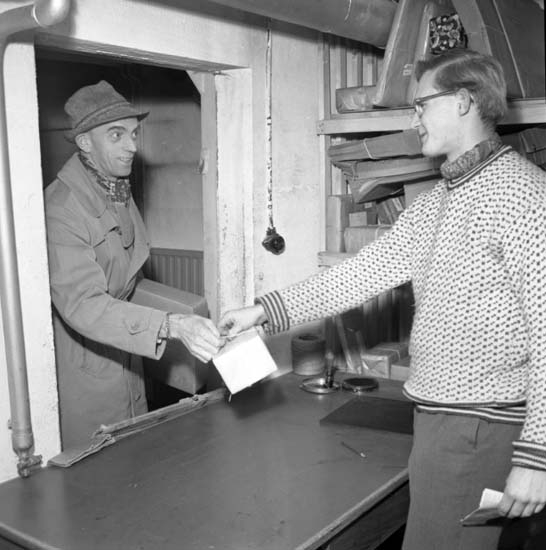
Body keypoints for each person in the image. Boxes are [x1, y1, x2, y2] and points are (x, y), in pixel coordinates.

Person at [219, 49, 546, 549]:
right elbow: (357, 276)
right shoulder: (436, 203)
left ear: (463, 101)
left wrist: (536, 456)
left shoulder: (524, 195)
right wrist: (262, 311)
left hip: (482, 426)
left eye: (421, 105)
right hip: (440, 419)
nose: (414, 119)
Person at [45, 80, 223, 449]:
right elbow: (83, 305)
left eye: (133, 133)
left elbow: (128, 278)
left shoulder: (116, 191)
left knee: (136, 452)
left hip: (127, 353)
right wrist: (172, 325)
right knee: (97, 463)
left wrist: (187, 320)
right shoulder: (61, 208)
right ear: (84, 143)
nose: (132, 146)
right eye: (116, 135)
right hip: (86, 363)